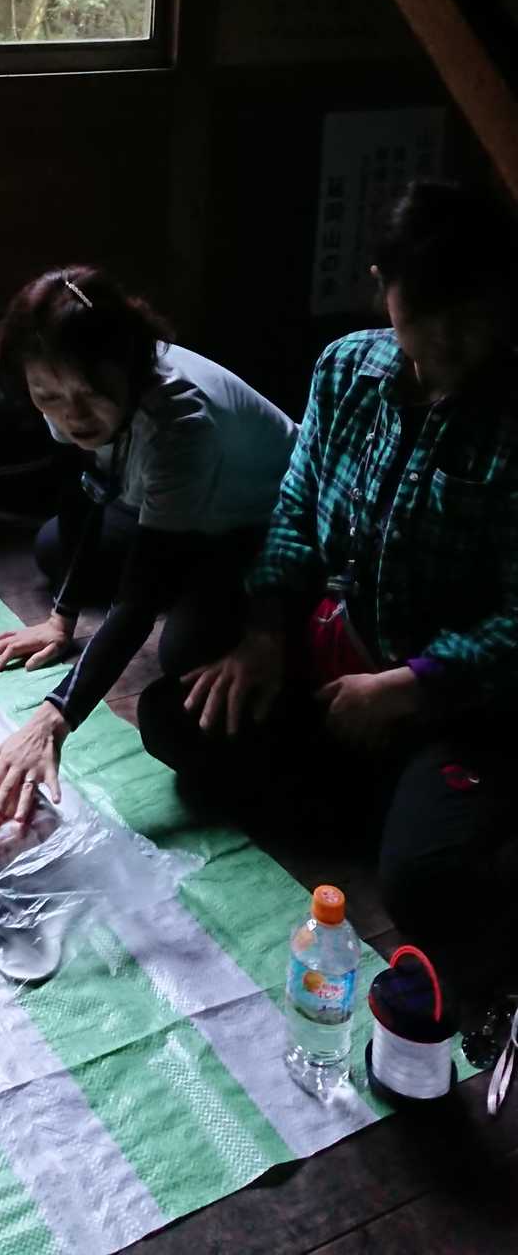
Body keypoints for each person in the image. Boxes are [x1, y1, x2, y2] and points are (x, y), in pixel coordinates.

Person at [136, 179, 518, 1046]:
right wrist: (267, 634)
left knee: (422, 884)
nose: (448, 344)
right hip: (348, 655)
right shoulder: (348, 369)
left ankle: (399, 801)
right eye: (425, 316)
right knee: (176, 708)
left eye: (473, 318)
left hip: (462, 699)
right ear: (384, 289)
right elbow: (299, 507)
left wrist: (412, 684)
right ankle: (378, 793)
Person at [0, 264, 298, 823]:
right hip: (172, 505)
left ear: (130, 367)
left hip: (256, 522)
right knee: (54, 548)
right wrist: (60, 621)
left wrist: (54, 717)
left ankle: (208, 590)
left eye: (90, 395)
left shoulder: (180, 422)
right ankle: (181, 579)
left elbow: (139, 601)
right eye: (48, 396)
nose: (72, 415)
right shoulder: (63, 382)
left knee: (183, 652)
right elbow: (86, 487)